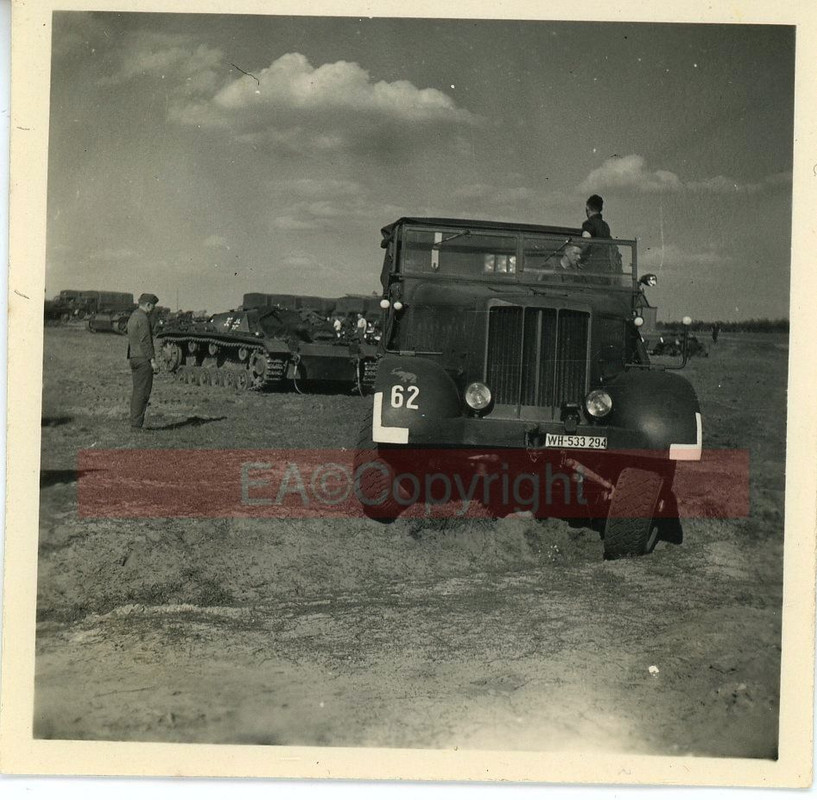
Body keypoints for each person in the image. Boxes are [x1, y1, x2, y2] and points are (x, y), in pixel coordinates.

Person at [127, 293, 159, 430]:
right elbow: (146, 341)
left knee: (137, 391)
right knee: (143, 392)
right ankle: (136, 425)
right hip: (143, 359)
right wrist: (152, 360)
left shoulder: (133, 316)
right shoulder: (143, 318)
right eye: (153, 306)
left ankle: (135, 422)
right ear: (148, 305)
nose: (153, 309)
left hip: (133, 357)